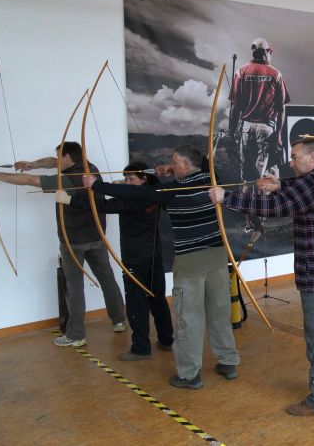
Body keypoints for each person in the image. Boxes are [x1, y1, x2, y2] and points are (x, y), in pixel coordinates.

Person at [208, 138, 314, 416]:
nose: (290, 162)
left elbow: (276, 208)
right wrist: (281, 184)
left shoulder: (312, 183)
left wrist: (226, 198)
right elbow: (302, 189)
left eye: (295, 157)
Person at [82, 146, 239, 389]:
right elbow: (205, 166)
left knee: (188, 319)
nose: (170, 164)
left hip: (190, 263)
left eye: (174, 161)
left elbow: (136, 194)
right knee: (219, 313)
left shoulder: (171, 190)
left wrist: (96, 185)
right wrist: (170, 170)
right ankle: (228, 362)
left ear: (186, 166)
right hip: (218, 257)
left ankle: (189, 375)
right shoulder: (211, 181)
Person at [0, 143, 126, 347]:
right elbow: (52, 163)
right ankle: (119, 320)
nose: (56, 161)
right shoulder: (90, 167)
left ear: (68, 157)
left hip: (73, 242)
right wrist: (32, 164)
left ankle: (76, 335)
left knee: (74, 287)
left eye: (60, 157)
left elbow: (28, 181)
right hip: (96, 237)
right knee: (107, 279)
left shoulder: (65, 179)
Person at [61, 162, 174, 361]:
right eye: (126, 178)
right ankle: (167, 340)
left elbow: (101, 205)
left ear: (143, 178)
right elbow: (122, 194)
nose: (127, 182)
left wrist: (70, 200)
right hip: (154, 258)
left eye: (131, 178)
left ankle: (141, 348)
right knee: (157, 299)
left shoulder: (133, 199)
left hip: (135, 260)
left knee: (136, 304)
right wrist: (123, 185)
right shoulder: (154, 192)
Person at [229, 38, 291, 243]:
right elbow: (282, 109)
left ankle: (251, 222)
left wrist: (232, 132)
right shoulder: (275, 73)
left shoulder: (242, 72)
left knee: (247, 177)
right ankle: (260, 219)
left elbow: (235, 107)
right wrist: (280, 134)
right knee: (263, 174)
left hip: (246, 128)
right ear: (267, 52)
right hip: (266, 128)